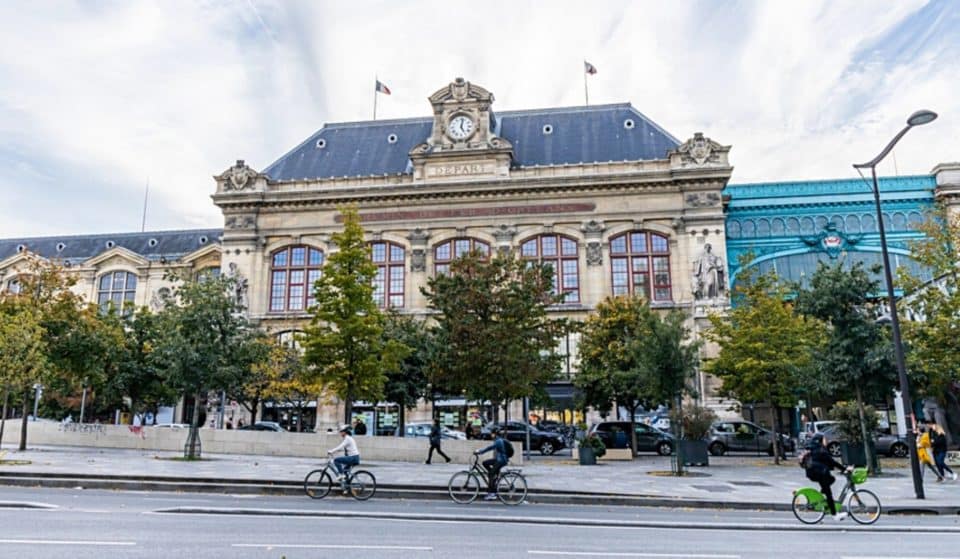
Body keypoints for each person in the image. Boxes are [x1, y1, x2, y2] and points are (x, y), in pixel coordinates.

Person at [803, 433, 852, 521]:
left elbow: (826, 462)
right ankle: (835, 514)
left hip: (814, 473)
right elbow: (832, 462)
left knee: (831, 479)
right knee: (829, 494)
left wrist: (841, 469)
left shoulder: (813, 448)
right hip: (820, 473)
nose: (827, 441)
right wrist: (844, 469)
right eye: (825, 439)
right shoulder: (821, 450)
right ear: (820, 440)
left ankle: (822, 498)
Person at [475, 427, 510, 501]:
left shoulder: (498, 441)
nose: (491, 435)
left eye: (492, 433)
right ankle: (493, 476)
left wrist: (479, 451)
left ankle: (492, 494)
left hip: (501, 460)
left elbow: (489, 448)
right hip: (499, 459)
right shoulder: (498, 440)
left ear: (495, 434)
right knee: (485, 463)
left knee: (491, 474)